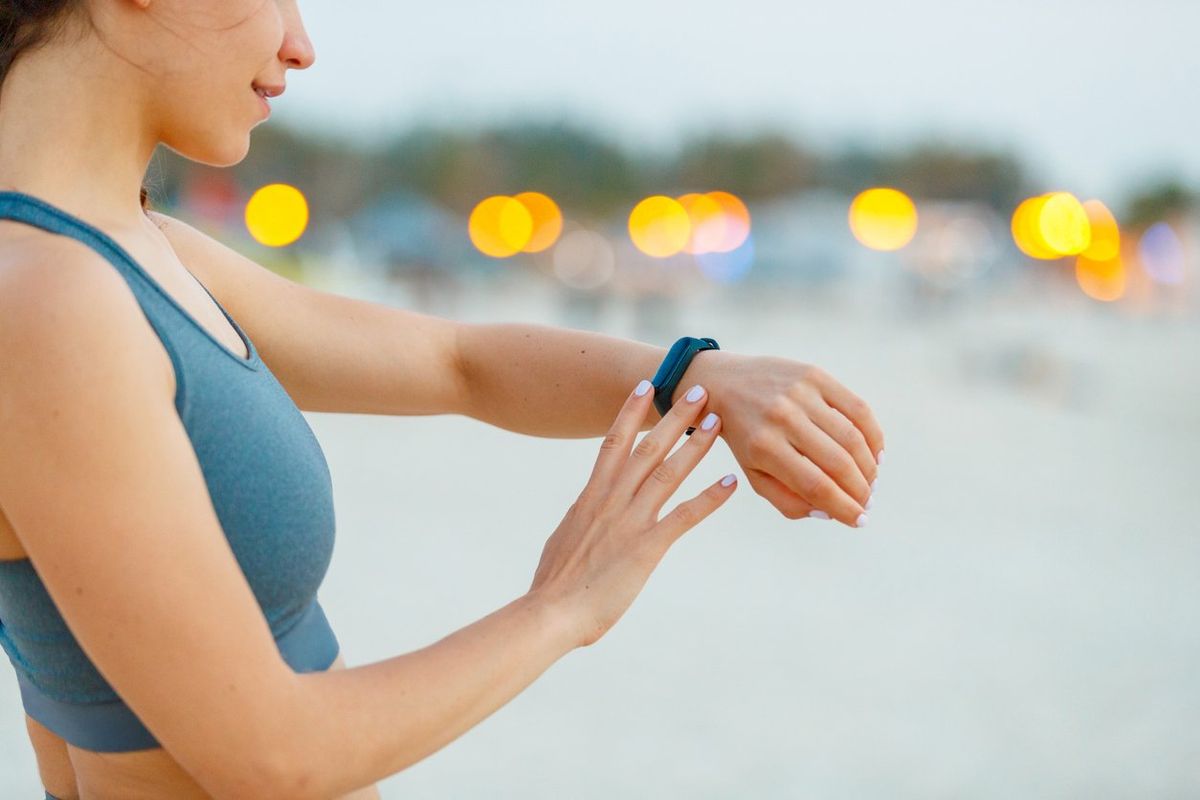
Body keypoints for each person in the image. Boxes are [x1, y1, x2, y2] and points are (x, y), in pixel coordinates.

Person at [0, 1, 884, 797]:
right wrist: (562, 605)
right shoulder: (45, 300)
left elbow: (457, 362)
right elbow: (271, 752)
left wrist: (694, 374)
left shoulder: (129, 248)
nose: (300, 44)